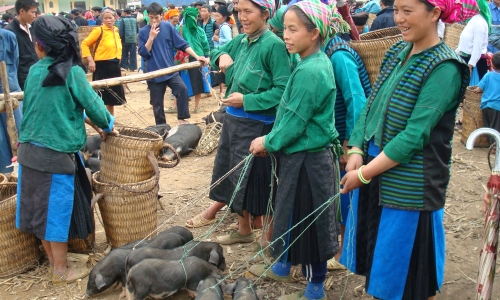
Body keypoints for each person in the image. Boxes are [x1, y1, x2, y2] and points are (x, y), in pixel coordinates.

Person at [339, 0, 472, 297]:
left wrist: (364, 174)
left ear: (435, 13)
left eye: (407, 11)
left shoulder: (444, 67)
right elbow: (370, 106)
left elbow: (414, 136)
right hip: (374, 168)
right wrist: (358, 149)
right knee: (379, 260)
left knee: (405, 273)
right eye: (397, 9)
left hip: (409, 184)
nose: (398, 18)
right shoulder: (398, 51)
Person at [247, 1, 339, 299]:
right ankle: (283, 266)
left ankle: (315, 290)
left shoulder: (312, 70)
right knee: (288, 212)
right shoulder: (307, 62)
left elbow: (296, 122)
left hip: (310, 163)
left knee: (310, 222)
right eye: (284, 28)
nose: (284, 35)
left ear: (314, 34)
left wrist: (268, 141)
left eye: (292, 29)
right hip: (298, 157)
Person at [16, 15, 116, 287]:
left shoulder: (36, 70)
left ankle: (54, 263)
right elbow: (94, 105)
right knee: (55, 215)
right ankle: (61, 271)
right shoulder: (72, 72)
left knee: (40, 212)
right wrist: (107, 125)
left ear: (39, 46)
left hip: (28, 152)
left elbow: (56, 106)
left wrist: (90, 123)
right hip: (54, 155)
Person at [187, 0, 290, 252]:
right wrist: (221, 55)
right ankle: (243, 230)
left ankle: (267, 238)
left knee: (258, 181)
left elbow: (282, 90)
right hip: (233, 121)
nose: (242, 17)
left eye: (249, 12)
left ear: (265, 15)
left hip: (258, 125)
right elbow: (212, 55)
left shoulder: (274, 46)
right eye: (239, 12)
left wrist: (247, 100)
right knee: (234, 176)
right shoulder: (242, 41)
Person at [322, 11, 372, 271]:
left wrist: (352, 144)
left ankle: (345, 251)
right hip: (340, 135)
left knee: (346, 191)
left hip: (348, 139)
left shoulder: (339, 56)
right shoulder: (327, 52)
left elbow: (356, 99)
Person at [138, 2, 208, 125]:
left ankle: (182, 119)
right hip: (154, 74)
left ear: (162, 15)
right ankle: (162, 127)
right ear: (147, 16)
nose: (154, 20)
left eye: (156, 17)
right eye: (151, 17)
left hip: (170, 70)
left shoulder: (168, 27)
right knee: (157, 103)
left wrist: (197, 56)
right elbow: (143, 53)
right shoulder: (143, 32)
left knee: (182, 89)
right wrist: (151, 38)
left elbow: (182, 44)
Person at [82, 8, 125, 116]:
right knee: (102, 95)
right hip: (102, 66)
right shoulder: (99, 30)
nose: (108, 20)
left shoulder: (116, 30)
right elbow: (85, 44)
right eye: (106, 18)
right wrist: (90, 60)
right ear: (102, 19)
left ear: (114, 18)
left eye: (110, 18)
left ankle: (111, 119)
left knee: (112, 97)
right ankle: (101, 119)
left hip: (114, 65)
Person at [179, 7, 211, 113]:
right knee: (197, 83)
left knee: (185, 83)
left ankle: (183, 107)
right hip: (198, 59)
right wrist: (207, 57)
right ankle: (196, 107)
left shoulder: (180, 29)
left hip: (185, 59)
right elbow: (206, 46)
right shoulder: (200, 30)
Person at [0, 28, 22, 174]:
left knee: (20, 132)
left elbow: (16, 62)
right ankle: (5, 175)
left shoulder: (9, 36)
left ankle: (22, 170)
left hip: (12, 91)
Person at [5, 0, 39, 91]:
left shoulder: (32, 27)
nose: (34, 15)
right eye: (32, 12)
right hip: (21, 78)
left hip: (35, 74)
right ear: (22, 11)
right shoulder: (10, 31)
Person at [455, 0, 491, 84]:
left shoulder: (480, 24)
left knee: (470, 93)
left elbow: (477, 47)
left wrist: (470, 65)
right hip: (466, 59)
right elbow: (464, 43)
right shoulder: (473, 19)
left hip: (474, 64)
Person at [474, 52, 500, 146]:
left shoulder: (488, 75)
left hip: (485, 105)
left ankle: (491, 144)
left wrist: (476, 90)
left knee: (488, 126)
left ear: (492, 64)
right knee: (495, 127)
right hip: (497, 107)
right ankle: (494, 145)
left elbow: (479, 88)